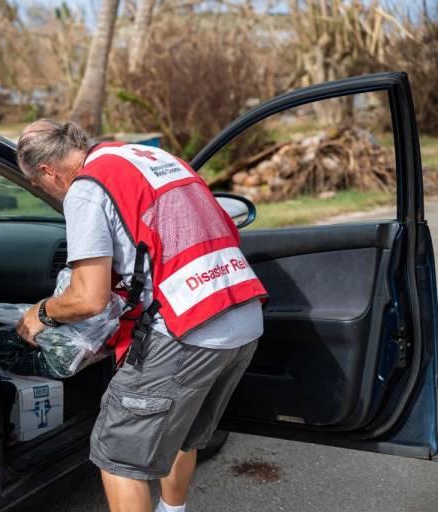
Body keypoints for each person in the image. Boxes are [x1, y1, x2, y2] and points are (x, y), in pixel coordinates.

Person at [15, 120, 267, 512]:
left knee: (119, 456)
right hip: (243, 316)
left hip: (186, 330)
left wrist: (41, 314)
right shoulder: (149, 157)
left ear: (48, 171)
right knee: (182, 435)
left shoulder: (86, 188)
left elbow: (88, 298)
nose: (46, 191)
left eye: (40, 185)